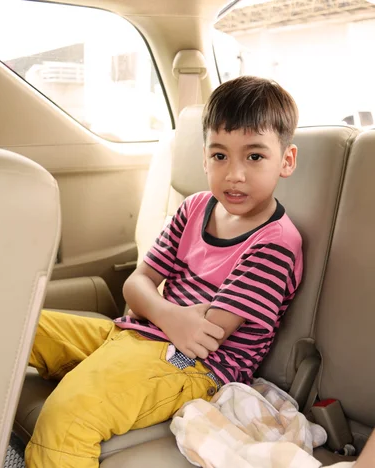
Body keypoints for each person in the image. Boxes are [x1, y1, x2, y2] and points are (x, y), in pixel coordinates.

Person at [25, 76, 303, 468]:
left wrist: (152, 307)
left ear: (286, 161)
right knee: (16, 328)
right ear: (204, 157)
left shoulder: (275, 244)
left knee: (68, 418)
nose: (234, 174)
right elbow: (135, 284)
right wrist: (167, 312)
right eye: (220, 156)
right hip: (135, 334)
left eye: (254, 157)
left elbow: (204, 335)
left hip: (191, 366)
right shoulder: (195, 208)